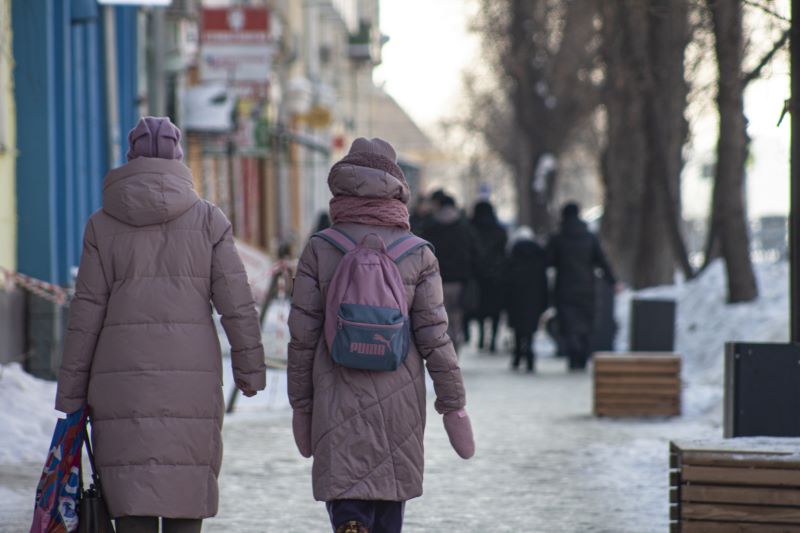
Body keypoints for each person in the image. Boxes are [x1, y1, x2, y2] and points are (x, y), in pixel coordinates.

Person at [55, 117, 267, 533]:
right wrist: (250, 370)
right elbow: (237, 305)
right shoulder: (209, 220)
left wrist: (71, 392)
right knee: (184, 486)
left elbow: (86, 316)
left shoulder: (101, 223)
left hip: (119, 383)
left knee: (130, 493)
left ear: (131, 156)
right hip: (191, 381)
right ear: (178, 157)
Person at [287, 138, 474, 533]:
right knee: (389, 497)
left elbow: (301, 337)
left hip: (335, 391)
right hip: (399, 395)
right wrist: (453, 404)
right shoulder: (418, 252)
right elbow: (436, 337)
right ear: (397, 188)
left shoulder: (321, 248)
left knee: (347, 493)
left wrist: (302, 406)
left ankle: (351, 522)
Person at [546, 202, 617, 370]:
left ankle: (573, 355)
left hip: (565, 287)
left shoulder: (558, 238)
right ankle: (583, 355)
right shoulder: (589, 237)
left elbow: (548, 261)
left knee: (569, 324)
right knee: (585, 323)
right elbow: (601, 261)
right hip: (587, 287)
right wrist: (613, 281)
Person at [420, 194, 480, 352]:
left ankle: (442, 352)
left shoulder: (430, 226)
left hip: (436, 279)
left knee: (440, 319)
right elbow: (475, 253)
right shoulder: (464, 226)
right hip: (459, 281)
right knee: (456, 318)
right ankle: (454, 351)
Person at [504, 227, 548, 372]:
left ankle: (517, 356)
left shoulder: (512, 260)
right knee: (530, 329)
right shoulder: (538, 261)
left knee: (517, 329)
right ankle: (529, 355)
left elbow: (506, 282)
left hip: (516, 299)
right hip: (533, 300)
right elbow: (544, 284)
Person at [467, 200, 507, 353]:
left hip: (478, 275)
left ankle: (482, 338)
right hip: (497, 276)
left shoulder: (471, 229)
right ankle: (493, 341)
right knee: (495, 311)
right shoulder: (499, 230)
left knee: (481, 309)